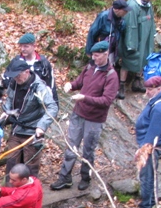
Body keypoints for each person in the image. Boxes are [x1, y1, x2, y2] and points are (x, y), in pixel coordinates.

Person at [50, 40, 119, 191]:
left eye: (97, 55)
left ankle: (85, 177)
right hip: (78, 113)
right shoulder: (89, 67)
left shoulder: (111, 76)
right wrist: (71, 85)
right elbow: (79, 82)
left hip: (94, 119)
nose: (94, 58)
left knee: (88, 150)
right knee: (71, 146)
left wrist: (84, 98)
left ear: (106, 54)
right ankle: (64, 178)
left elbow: (107, 100)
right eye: (93, 55)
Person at [0, 59, 59, 178]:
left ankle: (30, 193)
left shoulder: (39, 87)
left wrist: (41, 126)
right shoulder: (14, 82)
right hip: (16, 129)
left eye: (17, 75)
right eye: (13, 76)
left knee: (30, 167)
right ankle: (9, 192)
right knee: (11, 163)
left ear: (27, 72)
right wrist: (7, 111)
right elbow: (10, 99)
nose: (15, 78)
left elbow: (52, 107)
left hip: (32, 132)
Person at [127, 76, 161, 208]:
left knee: (147, 175)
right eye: (147, 88)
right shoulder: (157, 100)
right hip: (149, 145)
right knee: (148, 175)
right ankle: (149, 202)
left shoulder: (160, 107)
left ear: (159, 88)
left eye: (151, 89)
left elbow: (154, 132)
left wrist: (142, 151)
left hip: (151, 148)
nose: (147, 92)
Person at [119, 0, 156, 99]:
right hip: (133, 41)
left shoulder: (148, 5)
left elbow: (151, 22)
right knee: (128, 61)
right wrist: (131, 44)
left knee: (143, 59)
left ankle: (137, 82)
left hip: (144, 40)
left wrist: (152, 36)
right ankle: (121, 86)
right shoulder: (132, 6)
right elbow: (130, 27)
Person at [5, 33, 58, 102]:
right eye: (21, 46)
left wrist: (54, 104)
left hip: (38, 101)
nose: (22, 49)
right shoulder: (16, 62)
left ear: (34, 46)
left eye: (26, 46)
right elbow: (6, 80)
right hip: (19, 101)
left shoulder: (43, 63)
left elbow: (51, 85)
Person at [85, 0, 131, 66]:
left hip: (112, 50)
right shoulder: (103, 16)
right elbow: (92, 33)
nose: (126, 12)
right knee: (97, 68)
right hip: (99, 49)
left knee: (108, 68)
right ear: (116, 9)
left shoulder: (122, 21)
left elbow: (121, 36)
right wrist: (89, 51)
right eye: (124, 10)